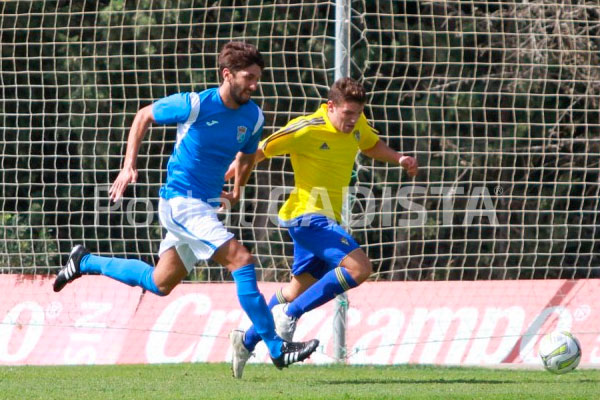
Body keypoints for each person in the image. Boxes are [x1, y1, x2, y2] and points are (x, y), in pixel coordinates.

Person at [53, 41, 319, 372]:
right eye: (249, 77)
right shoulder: (195, 104)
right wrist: (128, 165)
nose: (254, 85)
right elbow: (143, 115)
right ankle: (277, 348)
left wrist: (236, 190)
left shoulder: (253, 116)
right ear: (227, 75)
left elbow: (247, 155)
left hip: (204, 207)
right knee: (241, 259)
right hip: (180, 201)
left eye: (257, 78)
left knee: (160, 282)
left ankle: (84, 260)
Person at [228, 77, 418, 378]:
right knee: (359, 268)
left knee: (294, 290)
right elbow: (258, 149)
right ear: (331, 106)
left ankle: (246, 340)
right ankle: (290, 317)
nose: (352, 120)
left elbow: (370, 144)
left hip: (325, 219)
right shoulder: (306, 128)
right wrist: (234, 170)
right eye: (347, 114)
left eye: (357, 114)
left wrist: (398, 158)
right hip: (306, 216)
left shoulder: (357, 124)